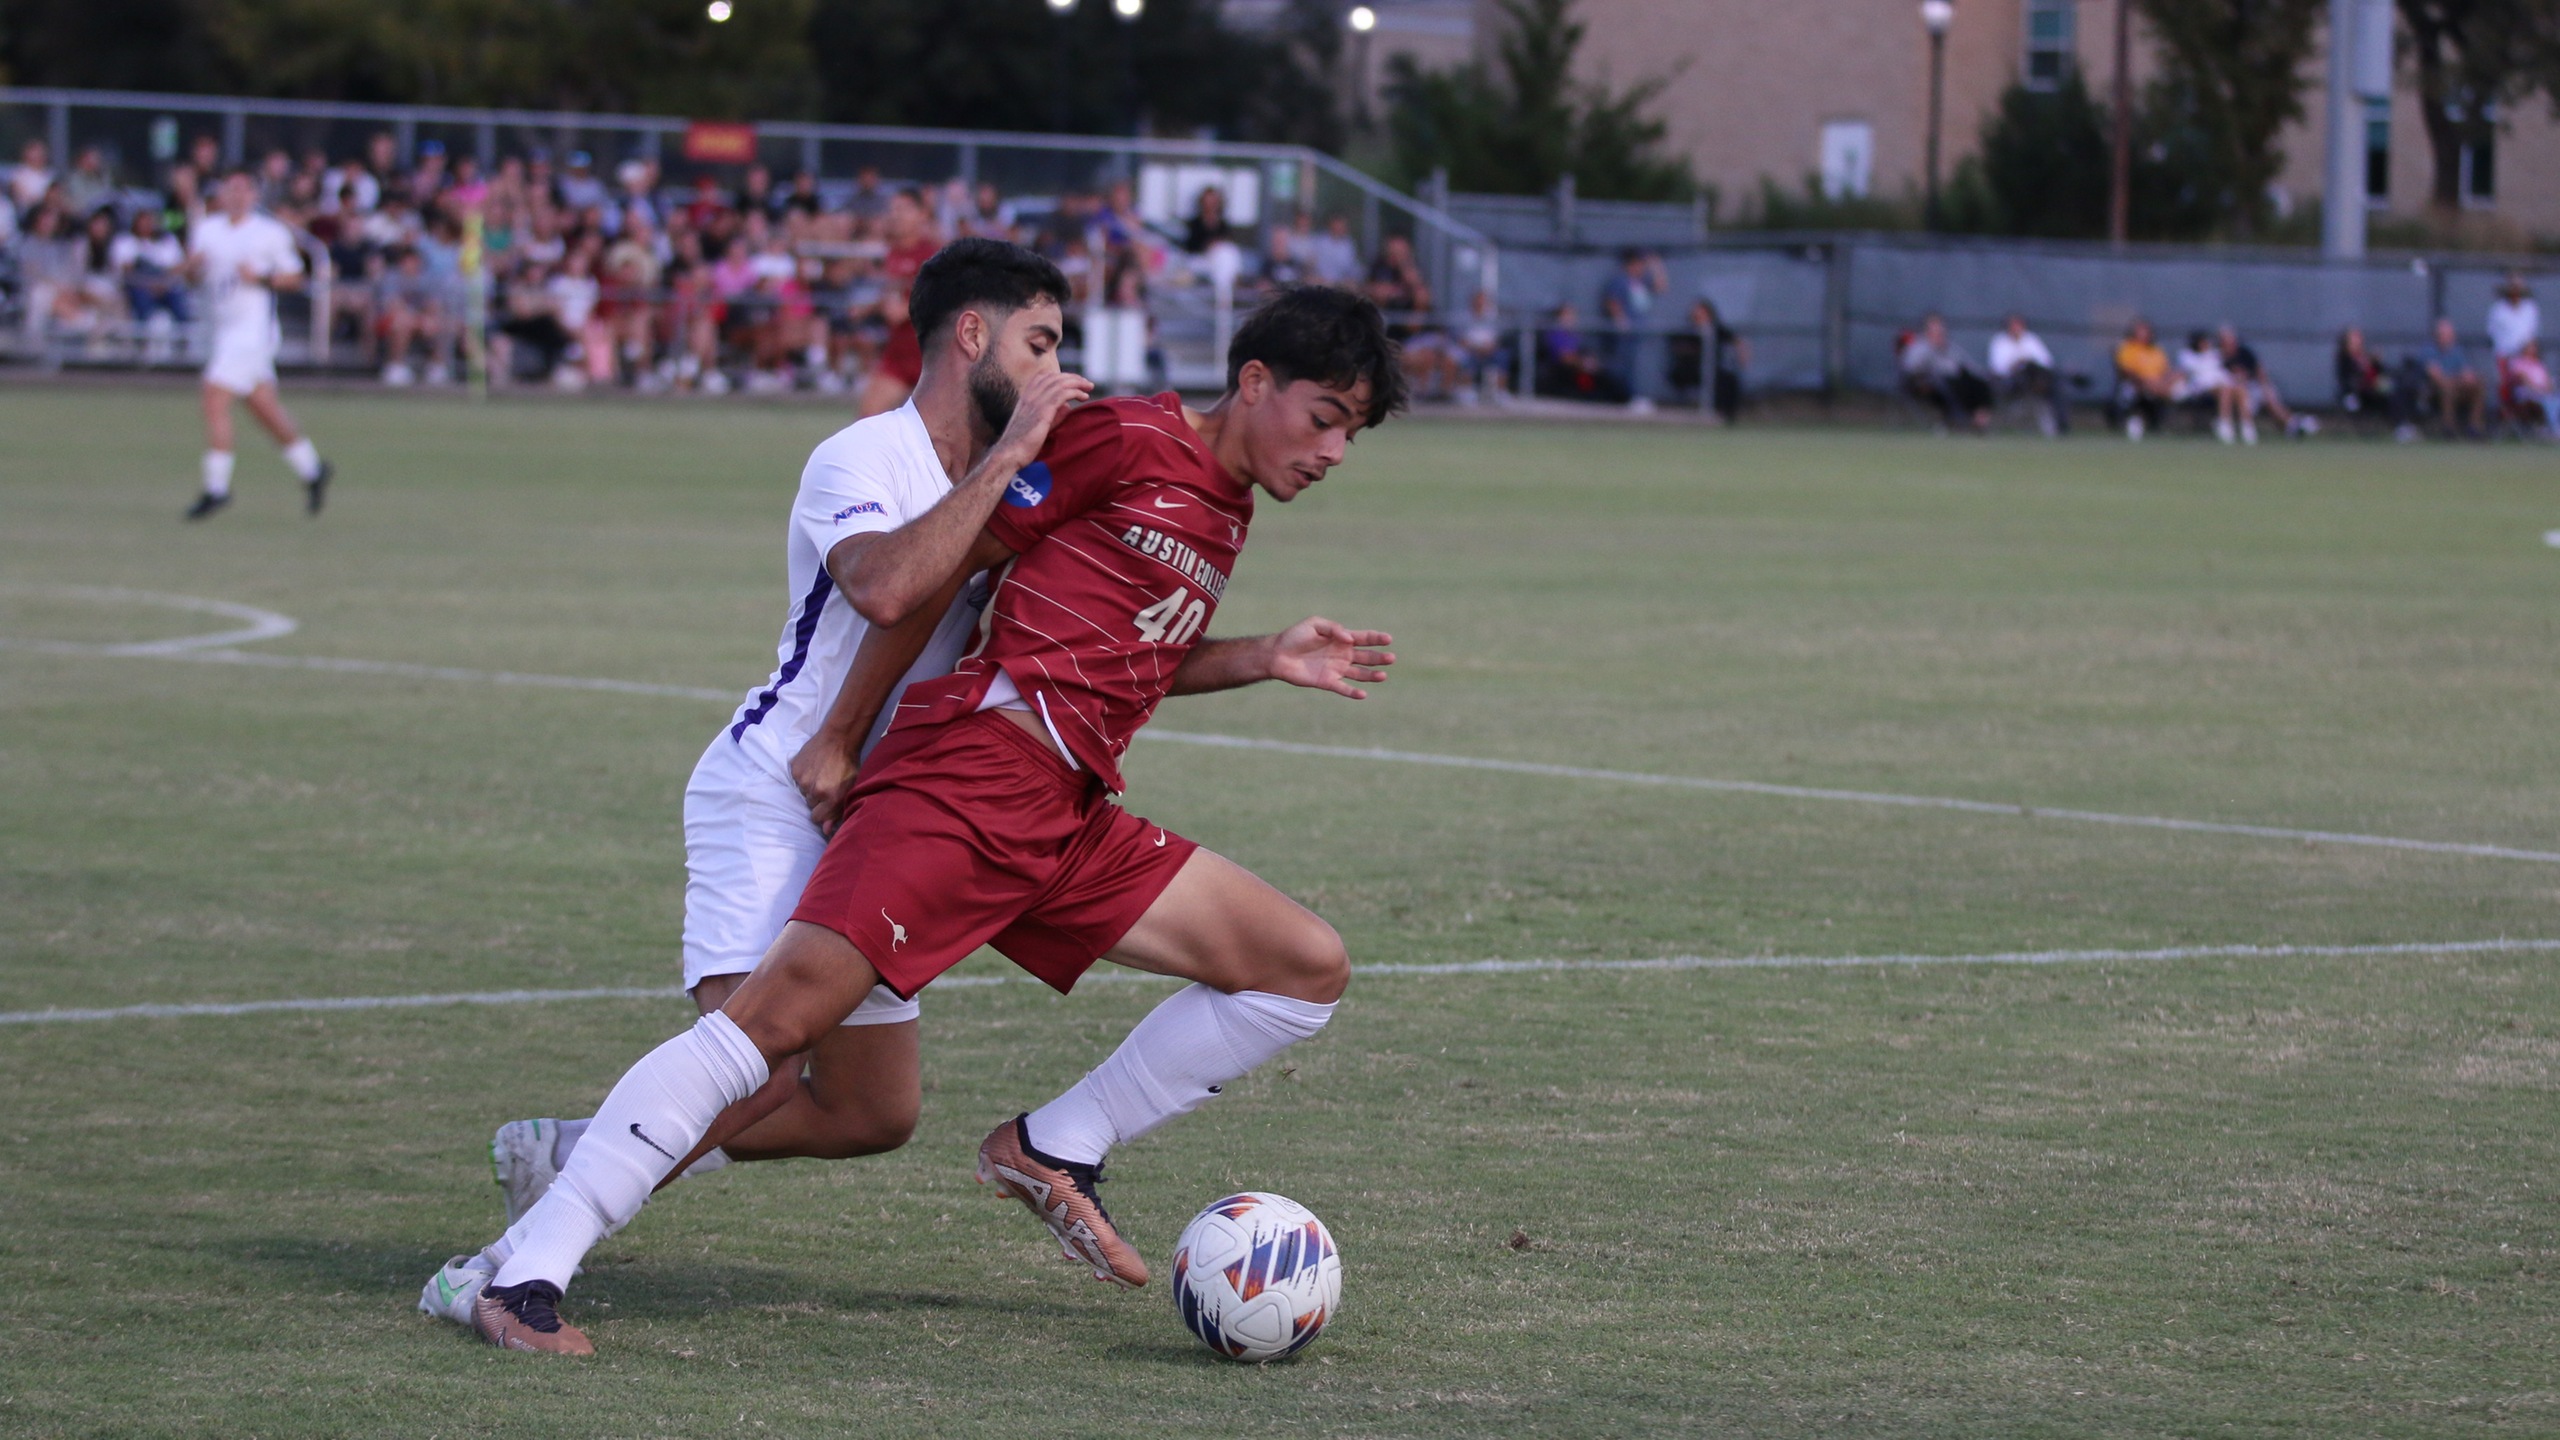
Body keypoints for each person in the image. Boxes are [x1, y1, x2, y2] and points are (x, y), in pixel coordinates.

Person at [453, 285, 1404, 1355]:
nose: (1332, 451)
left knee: (1300, 966)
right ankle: (520, 1277)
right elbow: (936, 574)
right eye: (1325, 418)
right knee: (771, 1035)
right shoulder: (1124, 436)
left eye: (1351, 435)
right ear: (1254, 380)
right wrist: (842, 738)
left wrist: (1262, 656)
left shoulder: (1224, 505)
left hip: (1067, 809)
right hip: (973, 775)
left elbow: (1123, 656)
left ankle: (1054, 1147)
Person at [418, 240, 1083, 1328]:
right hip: (773, 790)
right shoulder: (861, 459)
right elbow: (884, 588)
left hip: (880, 821)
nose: (1057, 366)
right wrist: (1007, 459)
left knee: (873, 1109)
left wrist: (1258, 650)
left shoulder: (1022, 479)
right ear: (972, 335)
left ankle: (584, 1151)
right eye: (1039, 341)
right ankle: (496, 1271)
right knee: (754, 1069)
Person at [180, 170, 333, 522]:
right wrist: (191, 268)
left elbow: (295, 278)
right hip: (220, 330)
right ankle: (312, 469)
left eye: (242, 189)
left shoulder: (269, 232)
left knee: (214, 397)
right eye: (229, 187)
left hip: (252, 334)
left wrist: (262, 278)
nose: (235, 195)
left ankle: (216, 489)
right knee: (262, 407)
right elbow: (191, 276)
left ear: (253, 194)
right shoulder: (207, 229)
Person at [2217, 324, 2312, 442]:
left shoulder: (2245, 352)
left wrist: (2264, 386)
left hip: (2254, 387)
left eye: (2230, 340)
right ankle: (2247, 431)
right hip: (2237, 393)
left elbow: (2259, 371)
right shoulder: (2218, 357)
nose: (2228, 343)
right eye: (2224, 341)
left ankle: (2292, 424)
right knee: (2244, 397)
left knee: (2270, 399)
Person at [1899, 314, 1991, 433]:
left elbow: (1966, 365)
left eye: (1940, 331)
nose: (1938, 334)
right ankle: (1957, 421)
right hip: (1930, 385)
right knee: (1950, 387)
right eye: (1934, 330)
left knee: (1979, 384)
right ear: (1927, 331)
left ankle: (1979, 419)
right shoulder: (1919, 348)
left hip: (1958, 381)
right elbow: (1910, 369)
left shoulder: (1950, 347)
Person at [1665, 299, 1746, 424]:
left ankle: (1726, 416)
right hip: (1691, 370)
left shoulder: (1716, 330)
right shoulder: (1688, 331)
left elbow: (1737, 341)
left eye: (1703, 312)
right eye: (1697, 313)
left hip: (1713, 370)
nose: (1699, 316)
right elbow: (1678, 348)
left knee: (1729, 380)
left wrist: (1742, 355)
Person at [1987, 313, 2065, 436]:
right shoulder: (2000, 341)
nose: (2016, 329)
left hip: (2036, 379)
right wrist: (2018, 363)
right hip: (2012, 381)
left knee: (2055, 382)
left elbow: (2046, 362)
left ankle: (2061, 425)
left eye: (2019, 325)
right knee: (2024, 371)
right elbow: (1999, 368)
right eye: (2013, 325)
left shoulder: (2031, 339)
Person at [2415, 317, 2488, 439]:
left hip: (2458, 387)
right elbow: (2435, 375)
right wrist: (2456, 379)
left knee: (2479, 383)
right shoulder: (2428, 351)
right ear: (2437, 335)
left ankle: (2474, 427)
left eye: (2450, 334)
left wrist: (2469, 378)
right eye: (2444, 334)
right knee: (2447, 387)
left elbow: (2466, 372)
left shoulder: (2457, 351)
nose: (2447, 337)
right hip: (2434, 391)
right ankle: (2449, 428)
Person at [2111, 319, 2174, 440]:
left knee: (2173, 388)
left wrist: (2165, 381)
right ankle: (2136, 420)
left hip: (2158, 385)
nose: (2143, 334)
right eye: (2140, 331)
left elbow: (2166, 371)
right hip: (2133, 384)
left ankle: (2162, 424)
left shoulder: (2156, 350)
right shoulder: (2127, 348)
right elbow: (2125, 371)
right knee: (2143, 388)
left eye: (2145, 331)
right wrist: (2143, 380)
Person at [2503, 339, 2559, 440]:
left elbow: (2547, 381)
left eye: (2534, 347)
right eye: (2530, 347)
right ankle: (2552, 428)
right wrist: (2539, 390)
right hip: (2526, 394)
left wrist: (2548, 388)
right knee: (2547, 402)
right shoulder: (2518, 363)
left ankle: (2553, 427)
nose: (2532, 350)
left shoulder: (2539, 365)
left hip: (2543, 394)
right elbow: (2524, 380)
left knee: (2554, 401)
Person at [2487, 274, 2539, 362]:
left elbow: (2533, 332)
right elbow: (2492, 331)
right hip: (2504, 355)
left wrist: (2526, 350)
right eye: (2513, 288)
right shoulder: (2498, 309)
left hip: (2525, 357)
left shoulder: (2530, 308)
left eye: (2518, 289)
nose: (2515, 292)